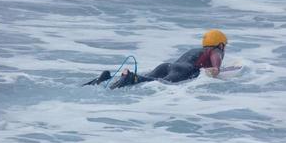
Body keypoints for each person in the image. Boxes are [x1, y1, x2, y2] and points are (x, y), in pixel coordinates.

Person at [84, 29, 227, 89]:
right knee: (159, 83)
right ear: (220, 44)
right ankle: (131, 77)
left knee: (145, 78)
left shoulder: (197, 50)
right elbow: (215, 69)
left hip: (167, 66)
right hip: (183, 70)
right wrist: (217, 74)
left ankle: (104, 79)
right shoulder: (216, 51)